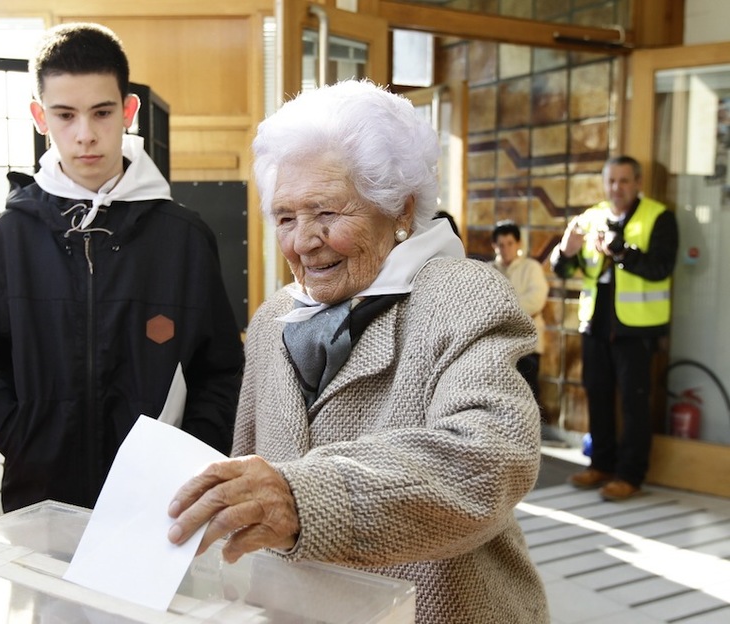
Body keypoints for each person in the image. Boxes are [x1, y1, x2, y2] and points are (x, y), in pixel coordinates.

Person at [166, 80, 549, 623]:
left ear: (399, 209)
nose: (303, 240)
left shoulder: (463, 295)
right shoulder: (275, 318)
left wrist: (305, 497)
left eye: (326, 212)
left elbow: (492, 456)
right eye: (285, 217)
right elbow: (247, 470)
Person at [0, 23, 244, 512]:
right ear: (40, 117)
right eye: (65, 115)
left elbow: (221, 372)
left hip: (158, 505)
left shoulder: (184, 238)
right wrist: (26, 441)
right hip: (38, 502)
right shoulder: (12, 236)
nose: (85, 135)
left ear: (128, 111)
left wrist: (181, 461)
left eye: (102, 112)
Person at [551, 155, 678, 501]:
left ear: (637, 183)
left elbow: (661, 268)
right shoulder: (590, 217)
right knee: (598, 395)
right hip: (596, 322)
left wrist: (621, 251)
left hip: (637, 328)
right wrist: (565, 251)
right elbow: (563, 269)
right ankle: (601, 464)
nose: (616, 188)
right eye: (611, 181)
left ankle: (630, 474)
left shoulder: (659, 217)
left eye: (624, 181)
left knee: (635, 403)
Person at [490, 220, 549, 412]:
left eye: (510, 243)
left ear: (518, 244)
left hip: (527, 343)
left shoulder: (531, 268)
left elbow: (536, 300)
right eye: (501, 244)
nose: (506, 249)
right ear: (494, 246)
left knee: (527, 395)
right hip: (495, 345)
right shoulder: (488, 270)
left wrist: (501, 311)